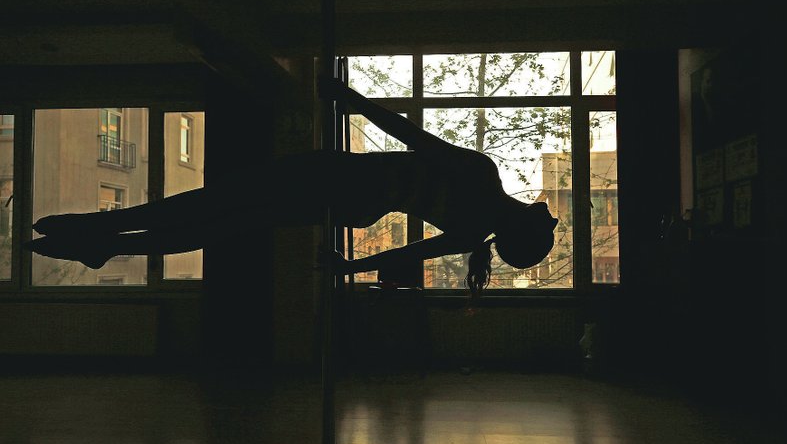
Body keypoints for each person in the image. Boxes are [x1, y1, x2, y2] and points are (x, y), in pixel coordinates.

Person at [25, 78, 558, 298]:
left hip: (339, 179)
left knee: (215, 206)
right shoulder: (472, 227)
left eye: (540, 215)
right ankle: (104, 240)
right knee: (222, 219)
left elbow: (411, 136)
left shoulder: (481, 175)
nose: (541, 206)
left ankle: (101, 232)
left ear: (525, 221)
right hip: (349, 200)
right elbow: (409, 250)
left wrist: (355, 101)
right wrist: (348, 269)